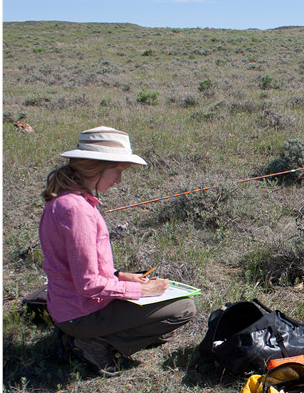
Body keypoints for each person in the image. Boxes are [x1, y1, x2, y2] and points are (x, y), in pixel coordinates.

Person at [37, 126, 195, 374]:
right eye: (118, 170)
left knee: (167, 305)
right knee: (183, 309)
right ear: (97, 167)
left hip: (69, 306)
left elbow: (77, 264)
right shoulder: (77, 210)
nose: (119, 179)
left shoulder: (66, 200)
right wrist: (140, 290)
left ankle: (109, 334)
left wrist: (120, 275)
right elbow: (88, 284)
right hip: (82, 312)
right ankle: (95, 342)